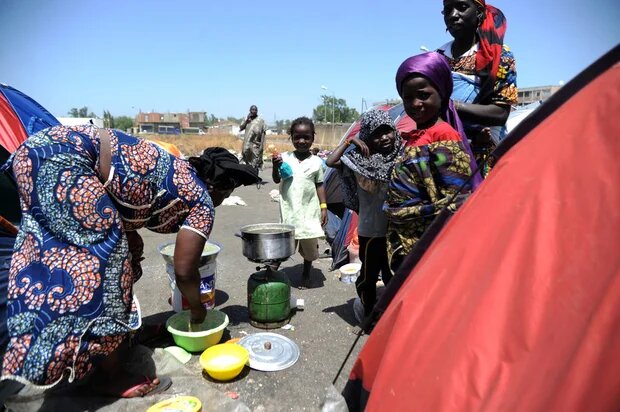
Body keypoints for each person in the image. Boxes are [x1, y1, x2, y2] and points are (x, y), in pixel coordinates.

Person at [0, 125, 260, 397]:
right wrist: (198, 310)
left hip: (37, 152)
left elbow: (127, 193)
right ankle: (109, 373)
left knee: (112, 254)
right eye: (224, 196)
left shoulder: (181, 172)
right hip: (66, 160)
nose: (220, 202)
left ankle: (119, 335)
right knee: (104, 267)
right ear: (216, 187)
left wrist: (130, 241)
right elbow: (185, 270)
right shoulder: (202, 199)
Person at [385, 52, 474, 272]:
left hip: (427, 245)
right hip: (408, 241)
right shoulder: (414, 137)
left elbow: (457, 200)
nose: (415, 104)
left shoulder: (443, 135)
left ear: (441, 94)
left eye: (423, 95)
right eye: (407, 98)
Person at [325, 109, 402, 324]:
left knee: (393, 274)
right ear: (366, 137)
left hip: (396, 231)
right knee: (369, 276)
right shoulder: (358, 162)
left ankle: (393, 316)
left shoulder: (401, 156)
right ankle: (368, 316)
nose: (384, 137)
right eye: (376, 134)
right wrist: (350, 141)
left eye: (387, 131)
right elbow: (331, 162)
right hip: (370, 231)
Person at [438, 0, 517, 172]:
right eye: (447, 10)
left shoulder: (499, 55)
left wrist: (451, 106)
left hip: (484, 157)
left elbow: (500, 113)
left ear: (479, 12)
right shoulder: (438, 57)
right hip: (446, 154)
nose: (453, 15)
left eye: (462, 7)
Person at [272, 117, 327, 288]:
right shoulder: (284, 158)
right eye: (297, 137)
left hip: (309, 210)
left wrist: (323, 207)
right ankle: (271, 274)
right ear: (291, 137)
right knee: (284, 244)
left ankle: (306, 273)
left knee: (309, 244)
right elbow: (276, 179)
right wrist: (275, 166)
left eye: (306, 137)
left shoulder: (317, 162)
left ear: (313, 137)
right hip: (289, 209)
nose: (302, 141)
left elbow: (319, 185)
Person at [239, 105, 267, 170]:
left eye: (255, 110)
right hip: (247, 143)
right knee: (246, 158)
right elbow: (241, 128)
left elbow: (263, 133)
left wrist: (262, 145)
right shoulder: (246, 119)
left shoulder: (261, 120)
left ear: (257, 111)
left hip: (256, 144)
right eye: (252, 110)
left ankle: (255, 172)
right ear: (250, 111)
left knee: (255, 161)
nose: (253, 111)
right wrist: (247, 121)